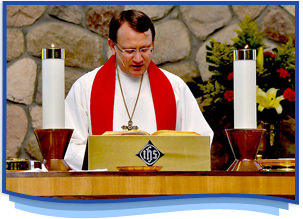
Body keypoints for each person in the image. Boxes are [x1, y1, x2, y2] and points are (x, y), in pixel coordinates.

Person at [64, 10, 214, 170]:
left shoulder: (174, 86)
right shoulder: (86, 87)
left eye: (145, 49)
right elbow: (70, 146)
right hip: (106, 187)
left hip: (161, 189)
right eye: (129, 51)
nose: (138, 58)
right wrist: (107, 164)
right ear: (112, 46)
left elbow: (200, 141)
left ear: (153, 43)